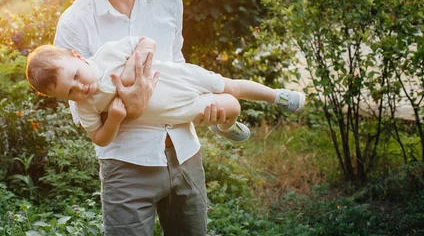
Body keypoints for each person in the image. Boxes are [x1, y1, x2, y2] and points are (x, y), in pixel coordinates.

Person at [52, 0, 229, 236]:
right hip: (125, 164)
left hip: (184, 151)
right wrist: (125, 105)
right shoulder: (74, 22)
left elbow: (178, 66)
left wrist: (206, 104)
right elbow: (77, 106)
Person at [26, 36, 304, 146]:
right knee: (231, 106)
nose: (80, 88)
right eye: (70, 93)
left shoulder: (108, 54)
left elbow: (147, 42)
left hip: (179, 78)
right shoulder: (87, 108)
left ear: (78, 57)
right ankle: (226, 126)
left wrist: (130, 69)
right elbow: (99, 139)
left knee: (230, 85)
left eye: (76, 76)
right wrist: (113, 120)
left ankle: (276, 95)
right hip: (174, 110)